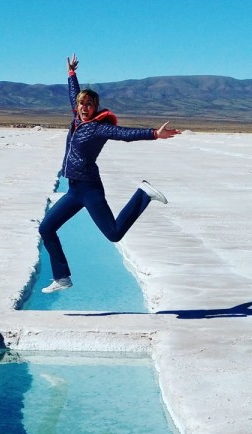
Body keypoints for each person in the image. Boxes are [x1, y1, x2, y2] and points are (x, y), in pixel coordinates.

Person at [38, 53, 181, 293]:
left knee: (114, 234)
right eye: (82, 104)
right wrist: (71, 74)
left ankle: (143, 194)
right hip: (74, 190)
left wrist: (154, 134)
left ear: (95, 108)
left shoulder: (98, 128)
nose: (84, 107)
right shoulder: (77, 120)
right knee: (46, 228)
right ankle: (62, 277)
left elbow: (124, 134)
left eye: (89, 105)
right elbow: (74, 94)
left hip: (89, 189)